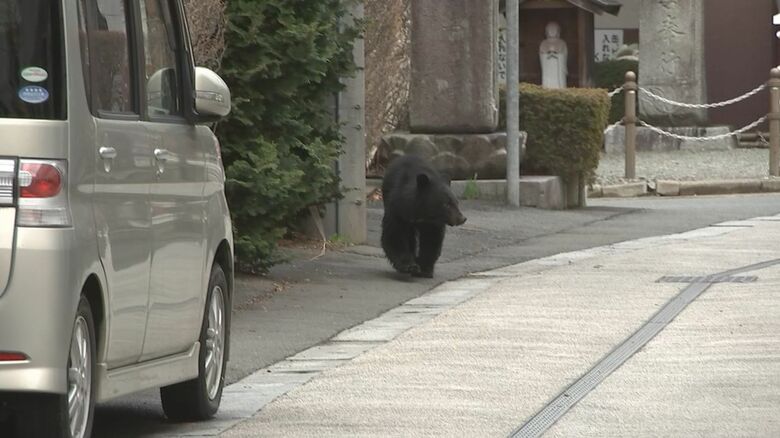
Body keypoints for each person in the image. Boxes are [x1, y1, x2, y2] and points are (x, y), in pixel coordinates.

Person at [539, 21, 567, 89]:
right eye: (550, 29)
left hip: (558, 69)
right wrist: (547, 55)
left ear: (558, 31)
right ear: (546, 31)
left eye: (554, 29)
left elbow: (564, 55)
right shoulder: (543, 43)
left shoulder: (562, 43)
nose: (552, 31)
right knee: (547, 85)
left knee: (559, 85)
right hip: (548, 69)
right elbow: (541, 55)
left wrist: (557, 56)